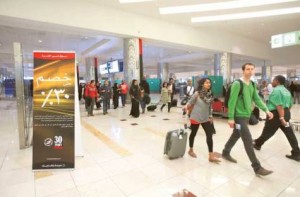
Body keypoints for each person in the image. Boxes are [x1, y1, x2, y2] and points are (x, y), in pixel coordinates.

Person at [222, 63, 274, 176]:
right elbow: (232, 101)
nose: (250, 71)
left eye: (252, 69)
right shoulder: (237, 84)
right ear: (243, 71)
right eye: (247, 69)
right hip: (238, 116)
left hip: (246, 116)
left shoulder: (252, 84)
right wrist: (231, 118)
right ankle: (257, 167)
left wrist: (266, 110)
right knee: (248, 139)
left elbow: (257, 98)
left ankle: (225, 152)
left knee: (236, 134)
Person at [253, 75, 300, 161]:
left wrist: (281, 117)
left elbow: (279, 105)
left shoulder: (276, 91)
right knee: (289, 133)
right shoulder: (286, 91)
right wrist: (285, 115)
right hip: (286, 113)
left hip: (276, 114)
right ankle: (297, 153)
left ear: (277, 81)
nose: (272, 82)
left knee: (268, 131)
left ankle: (257, 144)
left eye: (273, 80)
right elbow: (290, 104)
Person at [186, 78, 220, 163]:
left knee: (209, 135)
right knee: (193, 134)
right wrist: (186, 107)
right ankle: (190, 150)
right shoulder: (197, 94)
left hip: (205, 118)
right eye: (207, 82)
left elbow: (209, 106)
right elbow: (190, 102)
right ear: (202, 84)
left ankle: (211, 156)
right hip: (196, 117)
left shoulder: (210, 94)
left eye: (210, 83)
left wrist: (210, 115)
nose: (209, 84)